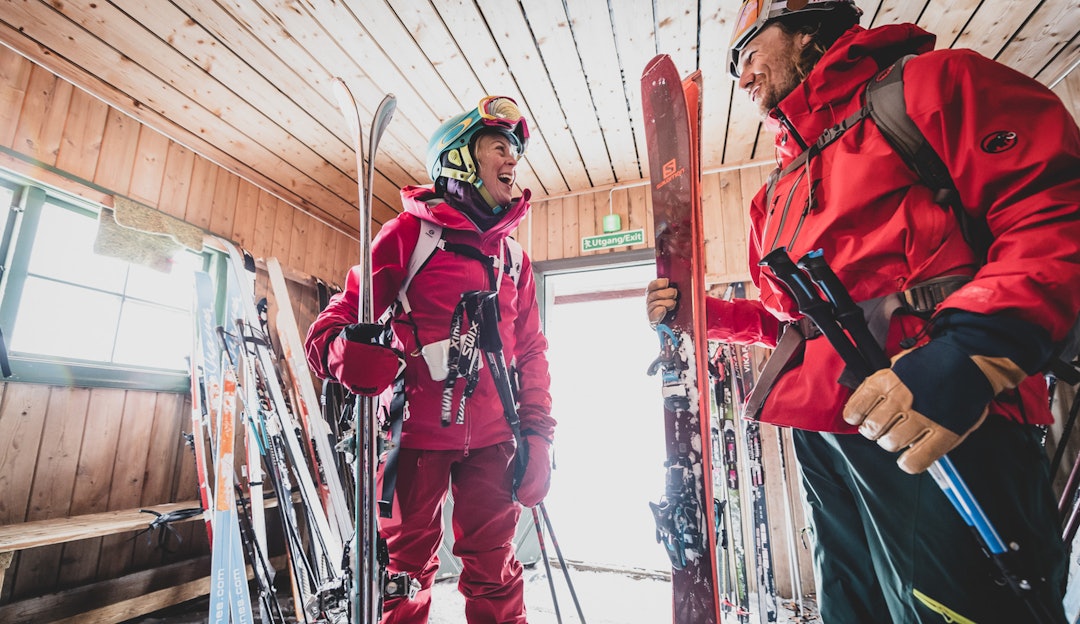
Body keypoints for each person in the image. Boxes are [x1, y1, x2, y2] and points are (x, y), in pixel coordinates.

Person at [647, 1, 1080, 621]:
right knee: (852, 609)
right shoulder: (775, 191)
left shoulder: (927, 89)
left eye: (746, 52)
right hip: (828, 431)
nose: (740, 77)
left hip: (940, 414)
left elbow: (1053, 206)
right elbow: (794, 325)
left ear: (804, 27)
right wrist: (701, 316)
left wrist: (968, 354)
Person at [305, 96, 554, 624]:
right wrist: (346, 351)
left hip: (493, 438)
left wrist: (539, 436)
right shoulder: (410, 235)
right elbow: (329, 326)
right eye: (500, 146)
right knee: (401, 574)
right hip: (411, 439)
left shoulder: (513, 259)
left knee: (495, 571)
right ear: (461, 157)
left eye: (515, 150)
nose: (513, 160)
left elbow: (531, 352)